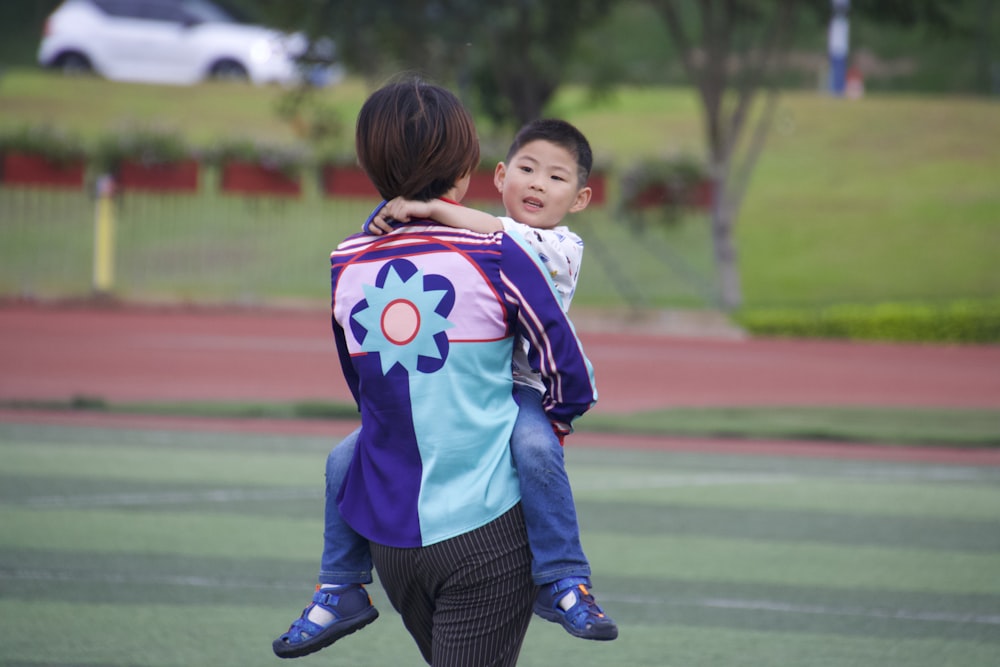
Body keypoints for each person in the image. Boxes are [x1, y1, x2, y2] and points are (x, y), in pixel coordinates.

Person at [273, 78, 598, 666]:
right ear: (472, 165)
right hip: (486, 525)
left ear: (368, 160)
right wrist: (557, 420)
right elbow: (562, 356)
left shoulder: (346, 261)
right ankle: (567, 580)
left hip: (390, 536)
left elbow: (362, 385)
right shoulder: (500, 253)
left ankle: (338, 585)